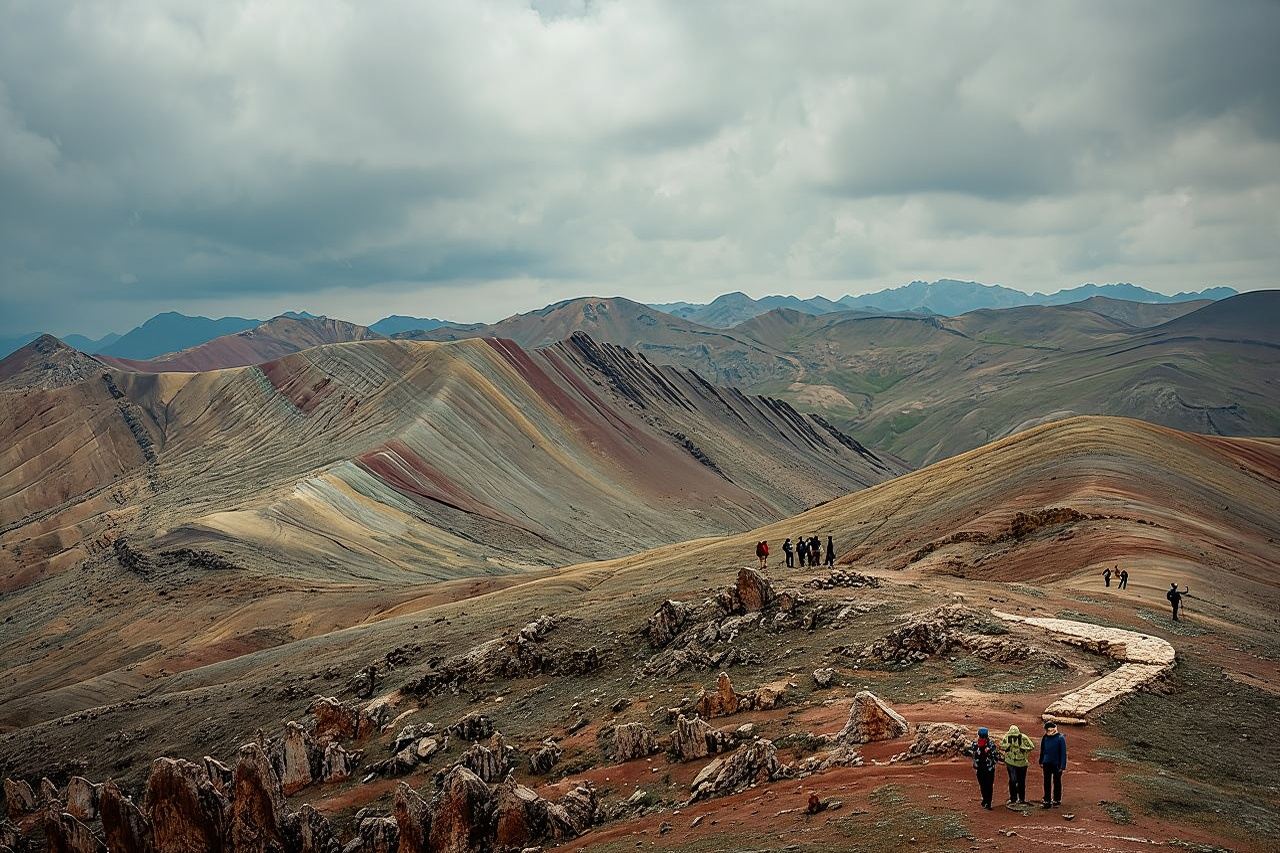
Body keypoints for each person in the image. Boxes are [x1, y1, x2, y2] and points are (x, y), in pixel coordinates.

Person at [999, 724, 1035, 805]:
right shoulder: (1007, 737)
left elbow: (1031, 746)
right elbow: (1002, 745)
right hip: (1010, 762)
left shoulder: (1023, 738)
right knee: (1013, 780)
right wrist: (1008, 747)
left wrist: (1023, 748)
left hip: (1022, 763)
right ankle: (1013, 798)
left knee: (1021, 781)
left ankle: (1021, 799)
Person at [969, 726, 1001, 810]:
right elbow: (996, 757)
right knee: (989, 785)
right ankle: (988, 802)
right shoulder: (991, 745)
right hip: (989, 768)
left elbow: (973, 754)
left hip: (980, 768)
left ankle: (985, 799)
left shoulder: (975, 744)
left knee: (982, 785)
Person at [1038, 721, 1067, 808]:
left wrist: (1062, 766)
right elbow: (1042, 750)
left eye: (1050, 728)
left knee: (1057, 781)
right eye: (1047, 729)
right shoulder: (1045, 737)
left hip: (1056, 764)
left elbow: (1063, 753)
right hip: (1046, 763)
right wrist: (1041, 761)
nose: (1048, 730)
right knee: (1046, 781)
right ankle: (1047, 799)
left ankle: (1057, 799)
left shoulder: (1060, 738)